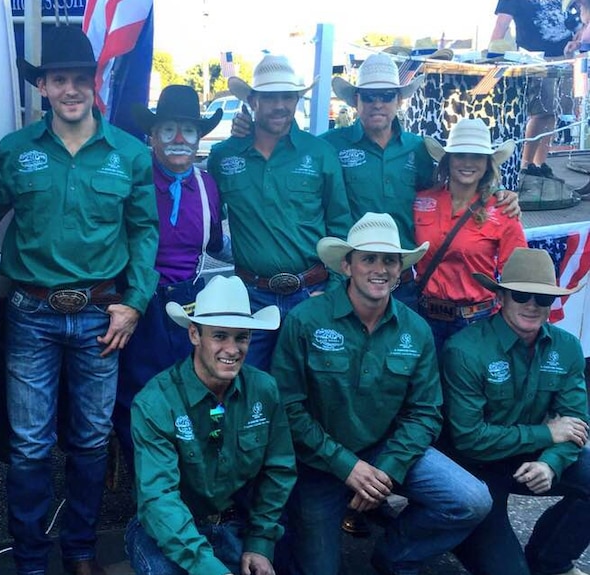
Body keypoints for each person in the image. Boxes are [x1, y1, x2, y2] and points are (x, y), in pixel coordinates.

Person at [0, 26, 159, 575]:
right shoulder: (13, 153)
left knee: (90, 441)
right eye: (58, 79)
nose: (70, 89)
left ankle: (82, 550)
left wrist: (134, 303)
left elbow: (143, 233)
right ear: (42, 87)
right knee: (29, 446)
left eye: (79, 79)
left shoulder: (130, 154)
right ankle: (30, 559)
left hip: (100, 314)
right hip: (31, 316)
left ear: (94, 84)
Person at [271, 212, 492, 575]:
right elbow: (288, 407)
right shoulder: (306, 320)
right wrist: (347, 465)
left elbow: (425, 412)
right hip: (320, 460)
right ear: (347, 265)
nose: (380, 268)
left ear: (401, 269)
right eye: (368, 258)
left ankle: (396, 555)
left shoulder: (415, 329)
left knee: (472, 500)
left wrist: (387, 470)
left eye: (390, 260)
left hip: (385, 449)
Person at [232, 52, 519, 310]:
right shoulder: (329, 146)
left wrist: (497, 192)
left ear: (399, 99)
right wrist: (251, 130)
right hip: (352, 281)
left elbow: (454, 184)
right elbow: (287, 151)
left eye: (386, 95)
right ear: (356, 100)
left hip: (403, 281)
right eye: (369, 96)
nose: (377, 103)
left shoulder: (417, 149)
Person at [126, 275, 296, 575]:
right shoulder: (155, 401)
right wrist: (208, 568)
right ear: (194, 334)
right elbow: (159, 499)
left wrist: (260, 542)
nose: (232, 349)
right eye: (220, 336)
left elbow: (278, 469)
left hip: (238, 523)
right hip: (169, 528)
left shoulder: (264, 389)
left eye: (241, 337)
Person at [441, 248, 590, 575]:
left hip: (534, 458)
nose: (532, 305)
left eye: (543, 298)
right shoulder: (464, 350)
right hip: (477, 469)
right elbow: (468, 439)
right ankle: (456, 532)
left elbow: (576, 423)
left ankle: (550, 561)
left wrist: (550, 463)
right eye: (522, 294)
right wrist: (547, 433)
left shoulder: (566, 346)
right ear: (502, 297)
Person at [208, 53, 351, 371]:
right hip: (250, 297)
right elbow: (206, 222)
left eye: (288, 96)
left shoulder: (320, 154)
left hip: (311, 293)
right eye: (270, 97)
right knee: (247, 389)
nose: (280, 105)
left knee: (314, 388)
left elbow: (340, 225)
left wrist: (332, 291)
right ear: (253, 100)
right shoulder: (223, 156)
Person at [113, 84, 228, 469]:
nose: (179, 140)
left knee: (197, 390)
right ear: (152, 135)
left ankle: (195, 479)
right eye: (168, 130)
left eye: (188, 131)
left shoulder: (206, 185)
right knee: (136, 395)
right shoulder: (134, 176)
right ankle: (146, 480)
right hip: (140, 302)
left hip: (190, 300)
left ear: (199, 138)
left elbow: (212, 244)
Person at [414, 118, 527, 349]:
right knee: (424, 384)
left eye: (476, 156)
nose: (468, 162)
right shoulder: (422, 200)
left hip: (475, 321)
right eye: (460, 155)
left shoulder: (503, 209)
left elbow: (517, 274)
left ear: (487, 163)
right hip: (424, 316)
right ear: (447, 161)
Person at [491, 0, 579, 178]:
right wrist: (493, 55)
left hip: (565, 58)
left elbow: (576, 21)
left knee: (554, 112)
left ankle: (540, 163)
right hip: (535, 60)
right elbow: (502, 23)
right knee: (541, 112)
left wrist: (578, 40)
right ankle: (526, 164)